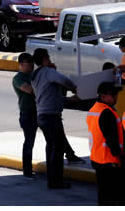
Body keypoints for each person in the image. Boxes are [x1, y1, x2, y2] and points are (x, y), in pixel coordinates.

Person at [30, 48, 78, 189]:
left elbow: (49, 95)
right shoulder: (48, 72)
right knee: (57, 149)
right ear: (45, 59)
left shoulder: (36, 75)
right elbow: (64, 80)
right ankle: (56, 181)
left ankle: (52, 179)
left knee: (51, 147)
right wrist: (74, 88)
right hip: (51, 117)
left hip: (42, 116)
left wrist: (69, 100)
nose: (50, 60)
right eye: (48, 57)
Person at [87, 81, 125, 205]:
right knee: (121, 197)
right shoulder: (106, 113)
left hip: (98, 159)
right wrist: (119, 157)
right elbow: (112, 139)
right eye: (113, 94)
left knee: (105, 196)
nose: (116, 97)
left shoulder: (94, 109)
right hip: (110, 162)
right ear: (103, 97)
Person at [13, 52, 38, 179]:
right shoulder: (18, 78)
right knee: (29, 141)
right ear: (22, 65)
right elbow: (30, 90)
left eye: (33, 64)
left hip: (39, 111)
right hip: (27, 114)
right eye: (29, 64)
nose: (32, 66)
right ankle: (27, 170)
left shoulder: (34, 75)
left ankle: (70, 155)